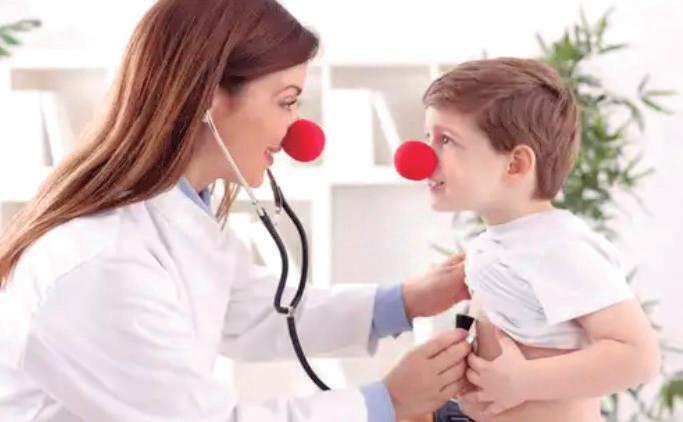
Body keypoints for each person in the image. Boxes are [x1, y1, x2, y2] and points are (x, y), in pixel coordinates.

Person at [0, 1, 473, 420]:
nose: (296, 132)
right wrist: (386, 402)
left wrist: (408, 300)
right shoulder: (102, 261)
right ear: (208, 97)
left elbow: (262, 314)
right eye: (286, 102)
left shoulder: (181, 217)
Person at [419, 57, 660, 422]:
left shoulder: (559, 247)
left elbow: (638, 357)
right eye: (428, 138)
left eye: (446, 140)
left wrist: (524, 381)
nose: (422, 157)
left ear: (515, 164)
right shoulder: (501, 241)